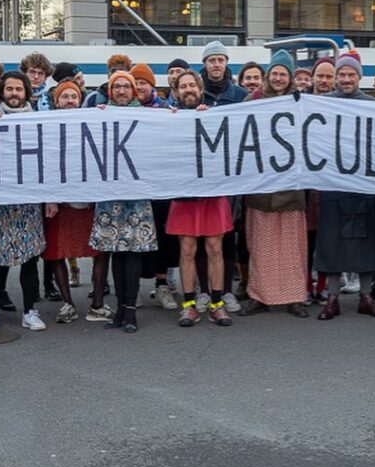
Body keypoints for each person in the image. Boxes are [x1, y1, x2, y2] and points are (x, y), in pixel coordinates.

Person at [313, 54, 375, 321]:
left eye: (351, 75)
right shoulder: (322, 104)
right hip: (332, 184)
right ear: (336, 77)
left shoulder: (374, 105)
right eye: (342, 74)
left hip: (363, 185)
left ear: (359, 78)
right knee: (332, 241)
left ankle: (366, 297)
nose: (346, 79)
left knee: (365, 241)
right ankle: (332, 298)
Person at [0, 71, 46, 333]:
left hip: (28, 201)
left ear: (26, 92)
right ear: (1, 92)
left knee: (29, 259)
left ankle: (30, 310)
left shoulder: (42, 120)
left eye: (19, 89)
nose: (14, 94)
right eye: (10, 90)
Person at [241, 51, 310, 319]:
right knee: (260, 247)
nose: (279, 78)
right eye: (275, 73)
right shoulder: (252, 101)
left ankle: (295, 297)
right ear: (268, 75)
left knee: (292, 248)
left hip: (292, 187)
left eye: (284, 73)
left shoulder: (301, 102)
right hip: (261, 189)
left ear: (290, 77)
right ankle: (259, 296)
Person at [88, 70, 158, 332]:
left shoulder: (147, 116)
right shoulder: (101, 114)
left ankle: (130, 310)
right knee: (116, 252)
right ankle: (119, 309)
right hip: (111, 197)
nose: (121, 91)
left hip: (136, 197)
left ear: (133, 91)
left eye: (125, 87)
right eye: (116, 87)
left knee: (132, 253)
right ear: (110, 91)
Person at [168, 70, 234, 326]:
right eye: (182, 86)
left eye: (191, 85)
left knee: (215, 248)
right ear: (176, 92)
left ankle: (217, 303)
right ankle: (189, 304)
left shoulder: (214, 113)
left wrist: (211, 118)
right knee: (186, 250)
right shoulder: (168, 116)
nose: (188, 90)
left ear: (199, 88)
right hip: (183, 192)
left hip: (212, 191)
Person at [42, 79, 98, 323]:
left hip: (87, 201)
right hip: (60, 203)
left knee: (99, 251)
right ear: (56, 101)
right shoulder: (44, 126)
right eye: (64, 96)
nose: (70, 101)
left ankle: (98, 304)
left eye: (74, 97)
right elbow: (42, 163)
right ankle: (68, 303)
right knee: (57, 252)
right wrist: (50, 197)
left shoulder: (93, 124)